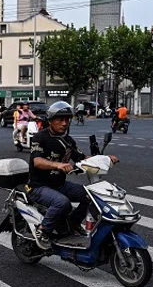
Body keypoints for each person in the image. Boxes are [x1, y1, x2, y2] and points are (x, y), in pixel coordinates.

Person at [28, 101, 116, 250]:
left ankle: (72, 224)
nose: (64, 123)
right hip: (39, 186)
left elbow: (81, 158)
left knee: (92, 196)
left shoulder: (68, 141)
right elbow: (37, 161)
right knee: (62, 203)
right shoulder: (40, 138)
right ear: (50, 120)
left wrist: (105, 159)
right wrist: (58, 165)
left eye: (67, 120)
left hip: (59, 185)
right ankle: (43, 231)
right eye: (60, 119)